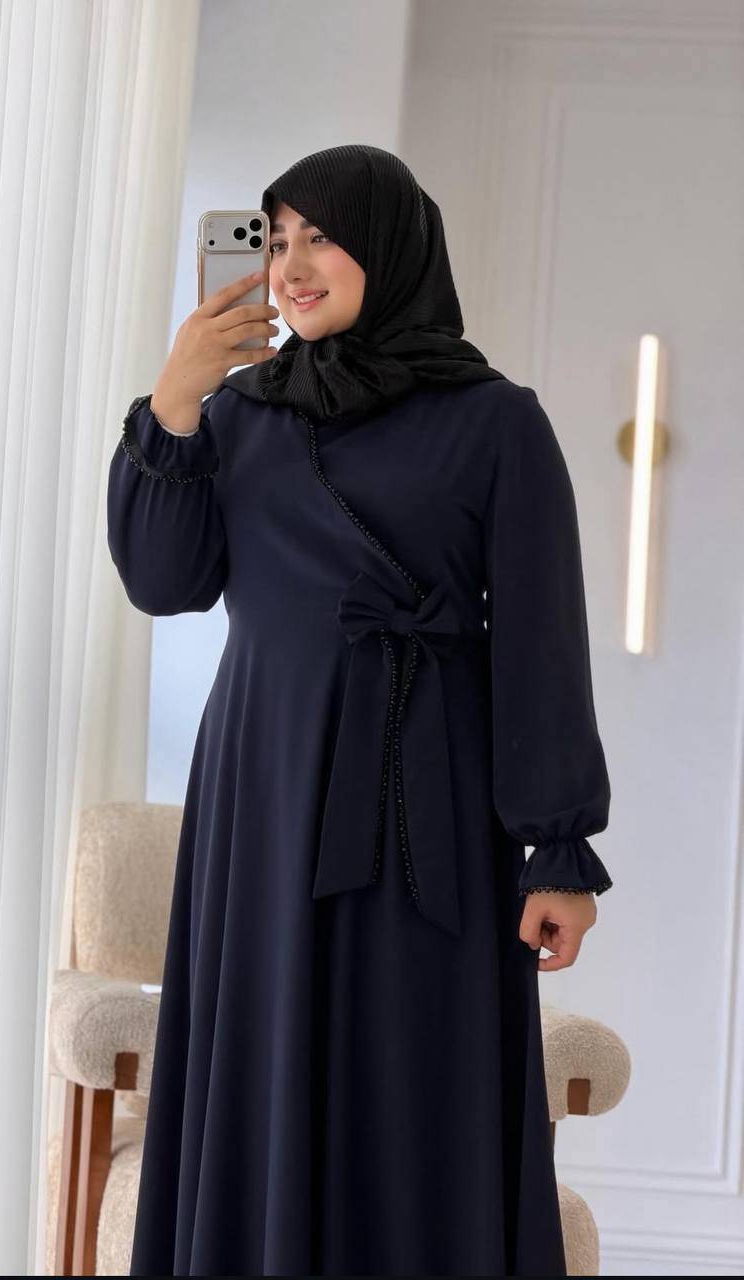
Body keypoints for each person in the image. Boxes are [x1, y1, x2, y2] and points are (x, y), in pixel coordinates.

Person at [107, 143, 612, 1277]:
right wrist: (174, 398)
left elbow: (542, 641)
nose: (291, 264)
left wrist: (559, 848)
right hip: (267, 784)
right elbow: (163, 581)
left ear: (389, 246)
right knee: (265, 1051)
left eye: (321, 236)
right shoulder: (237, 413)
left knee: (412, 1066)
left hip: (424, 793)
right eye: (277, 238)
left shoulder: (496, 421)